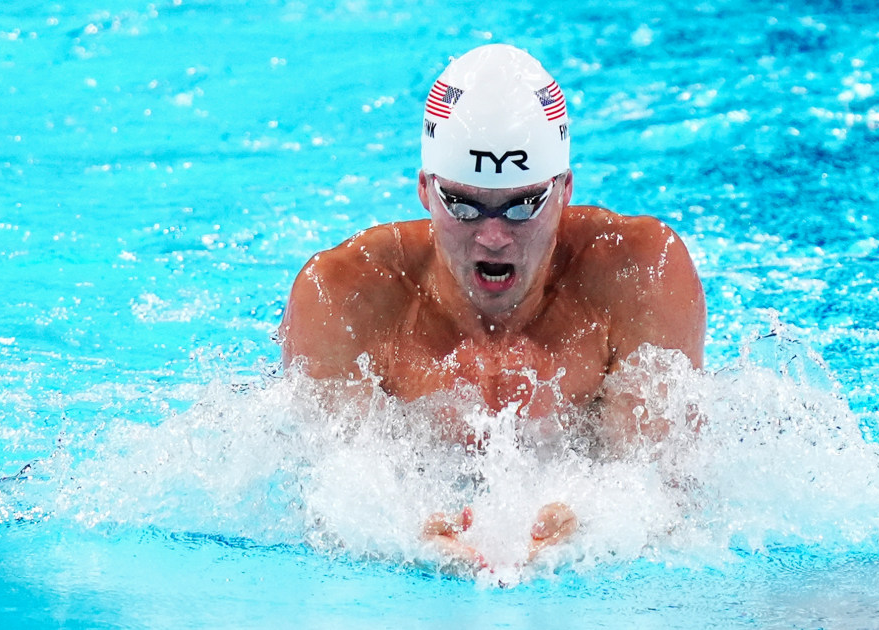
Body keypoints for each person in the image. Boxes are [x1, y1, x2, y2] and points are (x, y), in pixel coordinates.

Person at [279, 44, 706, 573]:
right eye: (463, 205)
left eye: (524, 205)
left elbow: (664, 484)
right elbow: (323, 499)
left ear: (565, 189)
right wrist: (405, 535)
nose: (495, 236)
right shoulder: (344, 296)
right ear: (425, 192)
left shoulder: (640, 273)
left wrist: (594, 522)